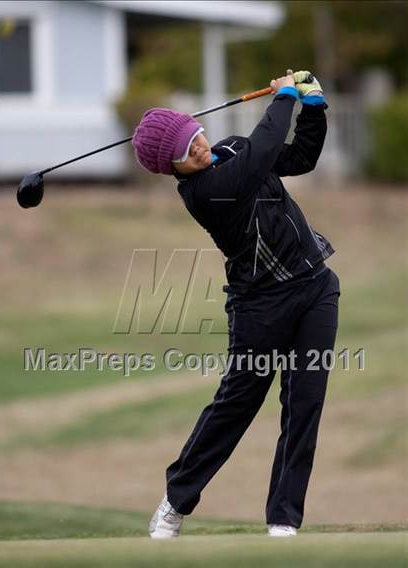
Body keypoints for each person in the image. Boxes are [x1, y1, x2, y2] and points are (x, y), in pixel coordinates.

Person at [132, 71, 340, 539]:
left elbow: (298, 157)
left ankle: (284, 520)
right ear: (174, 170)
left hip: (315, 288)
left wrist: (313, 107)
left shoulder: (231, 149)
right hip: (259, 306)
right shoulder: (204, 193)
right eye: (185, 153)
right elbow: (263, 151)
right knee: (237, 405)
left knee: (304, 404)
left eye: (195, 137)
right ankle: (176, 500)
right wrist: (284, 95)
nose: (199, 149)